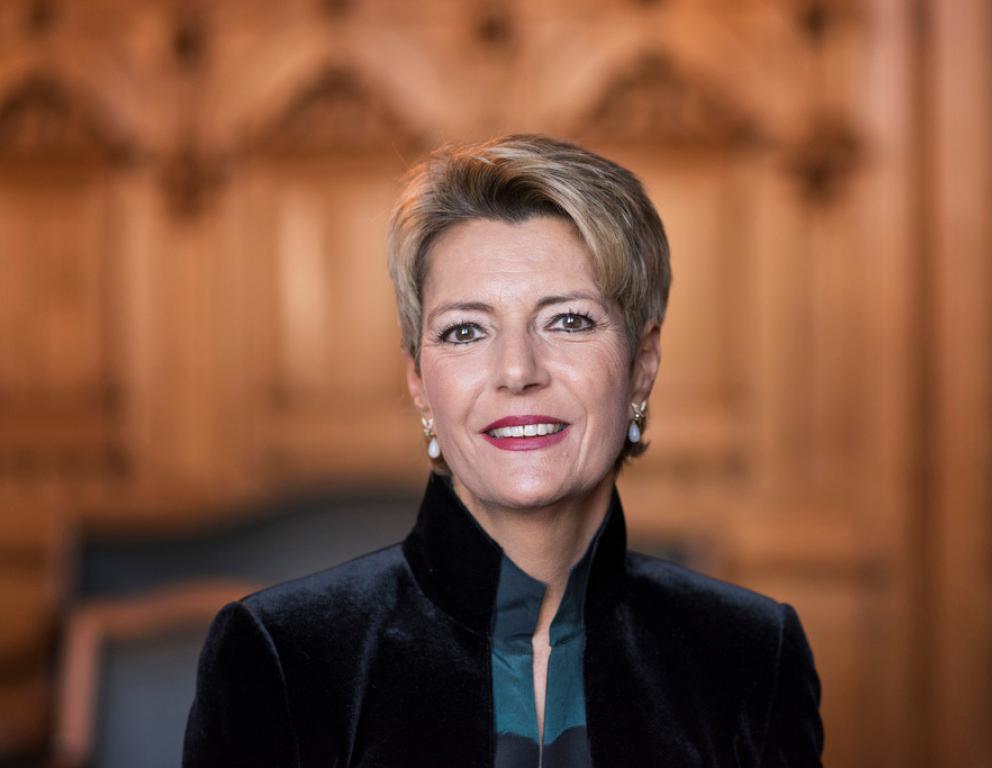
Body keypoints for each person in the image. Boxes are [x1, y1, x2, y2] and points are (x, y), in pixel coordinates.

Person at [183, 135, 824, 767]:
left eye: (568, 321)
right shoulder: (279, 655)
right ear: (419, 380)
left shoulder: (753, 654)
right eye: (466, 331)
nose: (517, 371)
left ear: (642, 365)